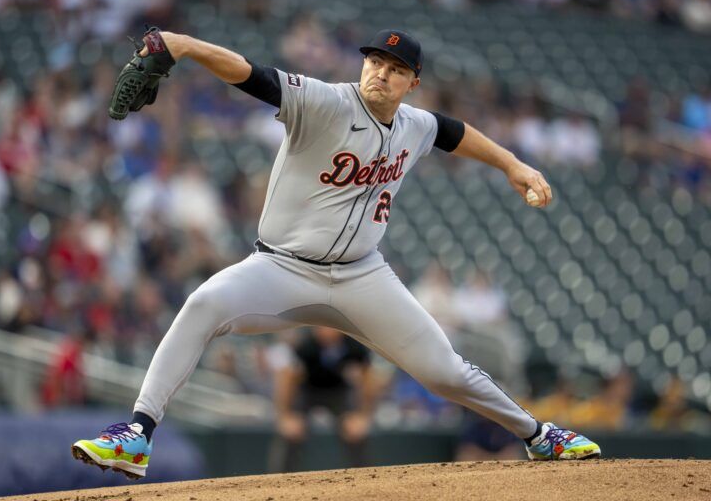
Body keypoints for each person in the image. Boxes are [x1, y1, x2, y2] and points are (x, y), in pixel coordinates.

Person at [72, 28, 601, 480]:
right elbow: (250, 74)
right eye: (374, 61)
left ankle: (539, 434)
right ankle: (137, 434)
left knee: (444, 372)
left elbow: (455, 133)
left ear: (412, 82)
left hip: (362, 278)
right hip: (281, 268)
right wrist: (182, 45)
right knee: (203, 303)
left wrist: (513, 165)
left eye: (395, 69)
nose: (380, 73)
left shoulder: (415, 125)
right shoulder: (325, 102)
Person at [268, 325, 377, 472]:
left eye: (330, 327)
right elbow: (288, 379)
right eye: (321, 327)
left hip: (338, 393)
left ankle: (366, 476)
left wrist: (364, 415)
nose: (326, 331)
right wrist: (285, 415)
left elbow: (368, 379)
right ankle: (278, 479)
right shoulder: (305, 346)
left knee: (355, 430)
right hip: (308, 392)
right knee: (292, 431)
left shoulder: (353, 346)